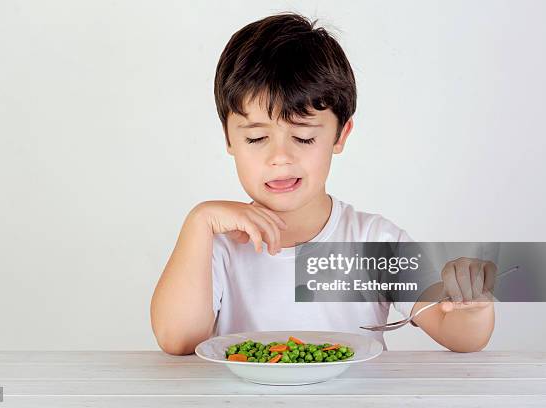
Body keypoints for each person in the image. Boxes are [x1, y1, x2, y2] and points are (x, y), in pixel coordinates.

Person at [150, 13, 495, 355]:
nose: (280, 157)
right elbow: (178, 340)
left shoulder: (374, 243)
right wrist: (199, 222)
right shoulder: (218, 246)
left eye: (302, 137)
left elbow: (460, 335)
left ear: (340, 135)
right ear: (229, 138)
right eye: (256, 138)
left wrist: (473, 306)